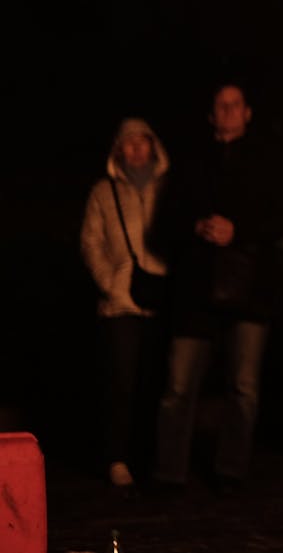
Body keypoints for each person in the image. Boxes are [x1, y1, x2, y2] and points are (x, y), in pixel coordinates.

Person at [154, 83, 283, 491]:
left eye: (234, 105)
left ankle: (231, 470)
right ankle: (169, 471)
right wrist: (196, 228)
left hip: (249, 290)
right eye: (220, 105)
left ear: (247, 112)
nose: (227, 111)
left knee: (243, 387)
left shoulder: (267, 163)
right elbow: (164, 222)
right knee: (178, 386)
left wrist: (239, 232)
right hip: (196, 291)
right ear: (212, 114)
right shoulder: (192, 163)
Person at [79, 118, 170, 490]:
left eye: (142, 142)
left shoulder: (169, 189)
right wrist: (109, 283)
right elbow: (90, 242)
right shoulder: (103, 192)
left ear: (153, 146)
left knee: (157, 383)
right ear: (118, 150)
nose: (136, 149)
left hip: (161, 299)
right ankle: (117, 457)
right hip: (120, 303)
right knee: (121, 382)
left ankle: (150, 457)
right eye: (128, 143)